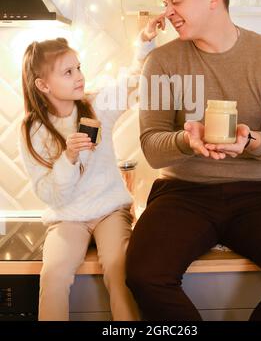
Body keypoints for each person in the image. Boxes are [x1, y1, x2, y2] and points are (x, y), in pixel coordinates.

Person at [126, 0, 261, 321]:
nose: (168, 12)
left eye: (176, 2)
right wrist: (185, 142)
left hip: (258, 196)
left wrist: (251, 141)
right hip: (182, 195)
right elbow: (152, 148)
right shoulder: (161, 62)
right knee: (144, 275)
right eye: (166, 4)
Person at [19, 22, 162, 321]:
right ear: (43, 85)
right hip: (68, 216)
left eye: (78, 68)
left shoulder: (97, 104)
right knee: (54, 275)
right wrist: (68, 158)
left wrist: (144, 42)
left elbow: (133, 80)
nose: (79, 77)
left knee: (118, 266)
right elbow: (49, 194)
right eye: (68, 72)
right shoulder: (32, 130)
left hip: (109, 210)